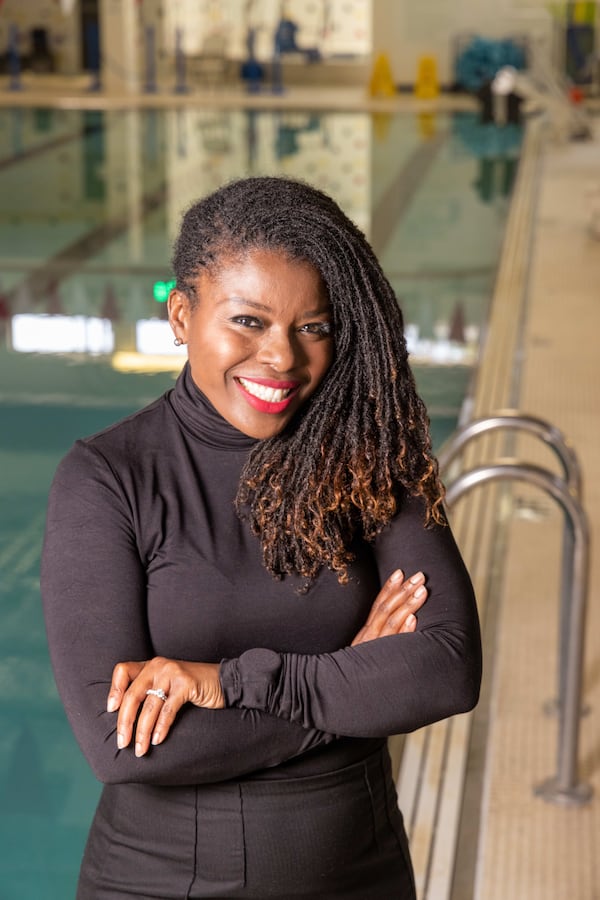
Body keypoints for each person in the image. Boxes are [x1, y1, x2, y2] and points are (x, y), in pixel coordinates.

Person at [41, 175, 482, 900]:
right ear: (182, 314)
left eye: (313, 328)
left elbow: (446, 669)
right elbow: (122, 745)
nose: (282, 358)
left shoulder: (367, 457)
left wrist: (232, 683)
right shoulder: (108, 480)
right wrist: (350, 679)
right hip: (163, 881)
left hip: (362, 872)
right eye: (248, 321)